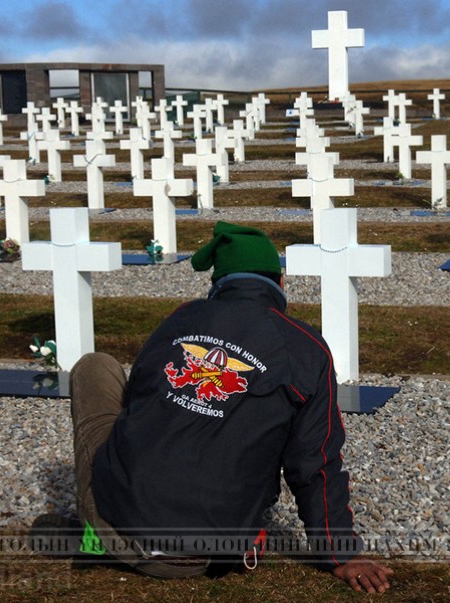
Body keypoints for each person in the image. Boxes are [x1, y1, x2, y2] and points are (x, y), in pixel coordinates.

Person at [68, 221, 392, 593]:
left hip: (123, 529)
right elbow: (314, 461)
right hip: (216, 550)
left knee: (95, 367)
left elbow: (139, 393)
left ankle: (102, 517)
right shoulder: (307, 348)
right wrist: (340, 553)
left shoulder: (182, 317)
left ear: (217, 283)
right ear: (280, 283)